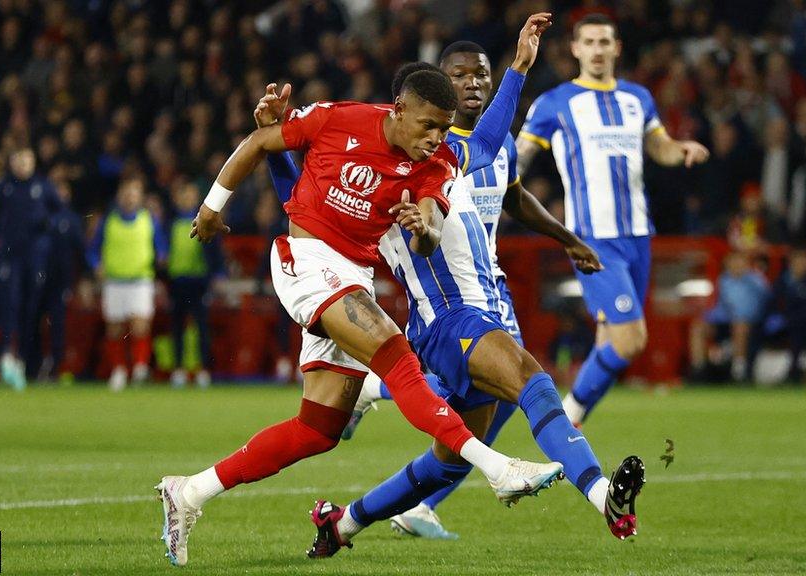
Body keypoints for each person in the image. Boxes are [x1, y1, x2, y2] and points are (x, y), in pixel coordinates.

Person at [155, 17, 562, 568]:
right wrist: (211, 207)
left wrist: (427, 226)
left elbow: (481, 150)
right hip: (307, 262)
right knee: (397, 356)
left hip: (352, 276)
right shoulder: (338, 119)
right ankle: (497, 468)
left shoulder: (434, 163)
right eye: (427, 126)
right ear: (397, 110)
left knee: (317, 429)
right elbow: (260, 142)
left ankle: (188, 492)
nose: (436, 138)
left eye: (443, 129)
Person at [322, 40, 605, 540]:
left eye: (482, 75)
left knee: (456, 446)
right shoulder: (406, 162)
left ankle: (347, 521)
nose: (473, 84)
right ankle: (575, 486)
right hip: (449, 310)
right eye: (460, 76)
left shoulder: (471, 152)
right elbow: (419, 226)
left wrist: (518, 65)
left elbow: (510, 186)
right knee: (524, 383)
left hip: (487, 289)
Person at [516, 13, 710, 426]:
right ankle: (561, 417)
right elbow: (521, 155)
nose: (598, 50)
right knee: (630, 339)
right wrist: (492, 177)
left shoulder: (638, 98)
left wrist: (682, 150)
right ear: (576, 49)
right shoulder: (555, 102)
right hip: (592, 238)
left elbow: (659, 147)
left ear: (617, 47)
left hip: (638, 234)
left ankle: (571, 433)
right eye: (589, 42)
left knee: (610, 338)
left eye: (605, 42)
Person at [87, 177, 166, 391]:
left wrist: (161, 257)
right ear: (120, 196)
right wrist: (96, 265)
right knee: (114, 328)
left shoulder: (149, 220)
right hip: (115, 281)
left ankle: (139, 369)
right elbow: (93, 250)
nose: (130, 197)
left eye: (134, 193)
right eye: (127, 193)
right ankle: (119, 370)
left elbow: (161, 247)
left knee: (140, 325)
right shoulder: (108, 221)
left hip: (140, 280)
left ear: (140, 197)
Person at [0, 148, 58, 391]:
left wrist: (47, 227)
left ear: (33, 162)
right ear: (12, 162)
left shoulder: (43, 186)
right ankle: (7, 356)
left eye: (27, 160)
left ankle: (22, 361)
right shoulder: (4, 187)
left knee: (31, 308)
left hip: (35, 259)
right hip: (10, 258)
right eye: (18, 160)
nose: (23, 165)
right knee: (10, 304)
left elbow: (59, 214)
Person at [167, 180, 225, 388]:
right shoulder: (170, 222)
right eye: (184, 196)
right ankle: (179, 369)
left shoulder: (206, 220)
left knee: (201, 327)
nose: (187, 199)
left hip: (199, 281)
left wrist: (218, 273)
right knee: (177, 328)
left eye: (190, 196)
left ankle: (202, 370)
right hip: (176, 281)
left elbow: (216, 250)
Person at [689, 251, 770, 382]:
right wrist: (711, 316)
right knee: (698, 327)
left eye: (739, 261)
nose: (736, 265)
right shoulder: (723, 281)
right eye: (732, 261)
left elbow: (765, 303)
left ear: (746, 263)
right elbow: (720, 306)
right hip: (726, 322)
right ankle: (699, 369)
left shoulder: (756, 281)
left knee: (739, 326)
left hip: (751, 323)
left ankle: (739, 371)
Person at [37, 179, 84, 380]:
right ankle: (34, 363)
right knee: (33, 320)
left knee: (57, 323)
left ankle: (56, 365)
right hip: (37, 277)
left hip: (60, 280)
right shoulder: (39, 216)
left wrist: (83, 277)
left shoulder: (71, 219)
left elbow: (80, 251)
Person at [762, 248, 806, 381]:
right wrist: (773, 316)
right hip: (785, 323)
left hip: (804, 324)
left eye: (804, 262)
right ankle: (745, 370)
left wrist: (787, 319)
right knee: (755, 329)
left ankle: (799, 370)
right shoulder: (781, 281)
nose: (800, 265)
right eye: (797, 261)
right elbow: (772, 303)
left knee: (800, 332)